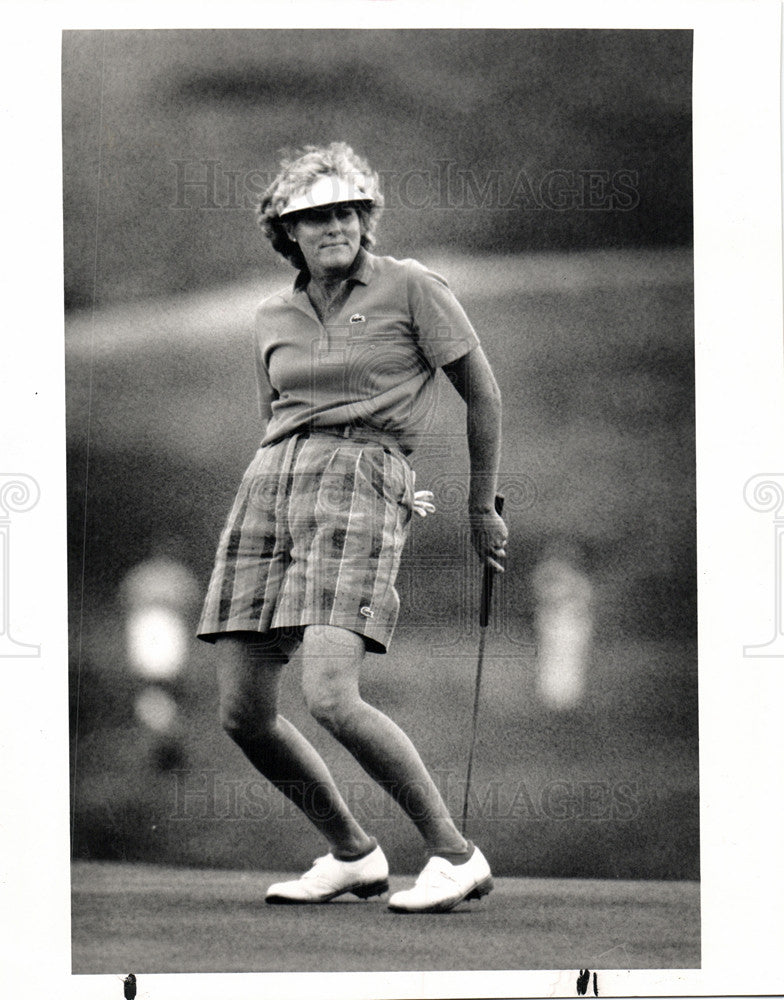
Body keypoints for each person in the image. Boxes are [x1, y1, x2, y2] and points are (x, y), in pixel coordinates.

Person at [196, 142, 507, 913]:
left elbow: (484, 395)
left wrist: (478, 506)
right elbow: (273, 416)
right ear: (287, 231)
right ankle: (352, 853)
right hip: (269, 483)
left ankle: (454, 854)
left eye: (346, 212)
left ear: (365, 218)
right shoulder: (273, 313)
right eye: (314, 217)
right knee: (242, 712)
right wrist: (281, 480)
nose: (334, 226)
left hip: (363, 479)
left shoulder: (412, 286)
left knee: (331, 695)